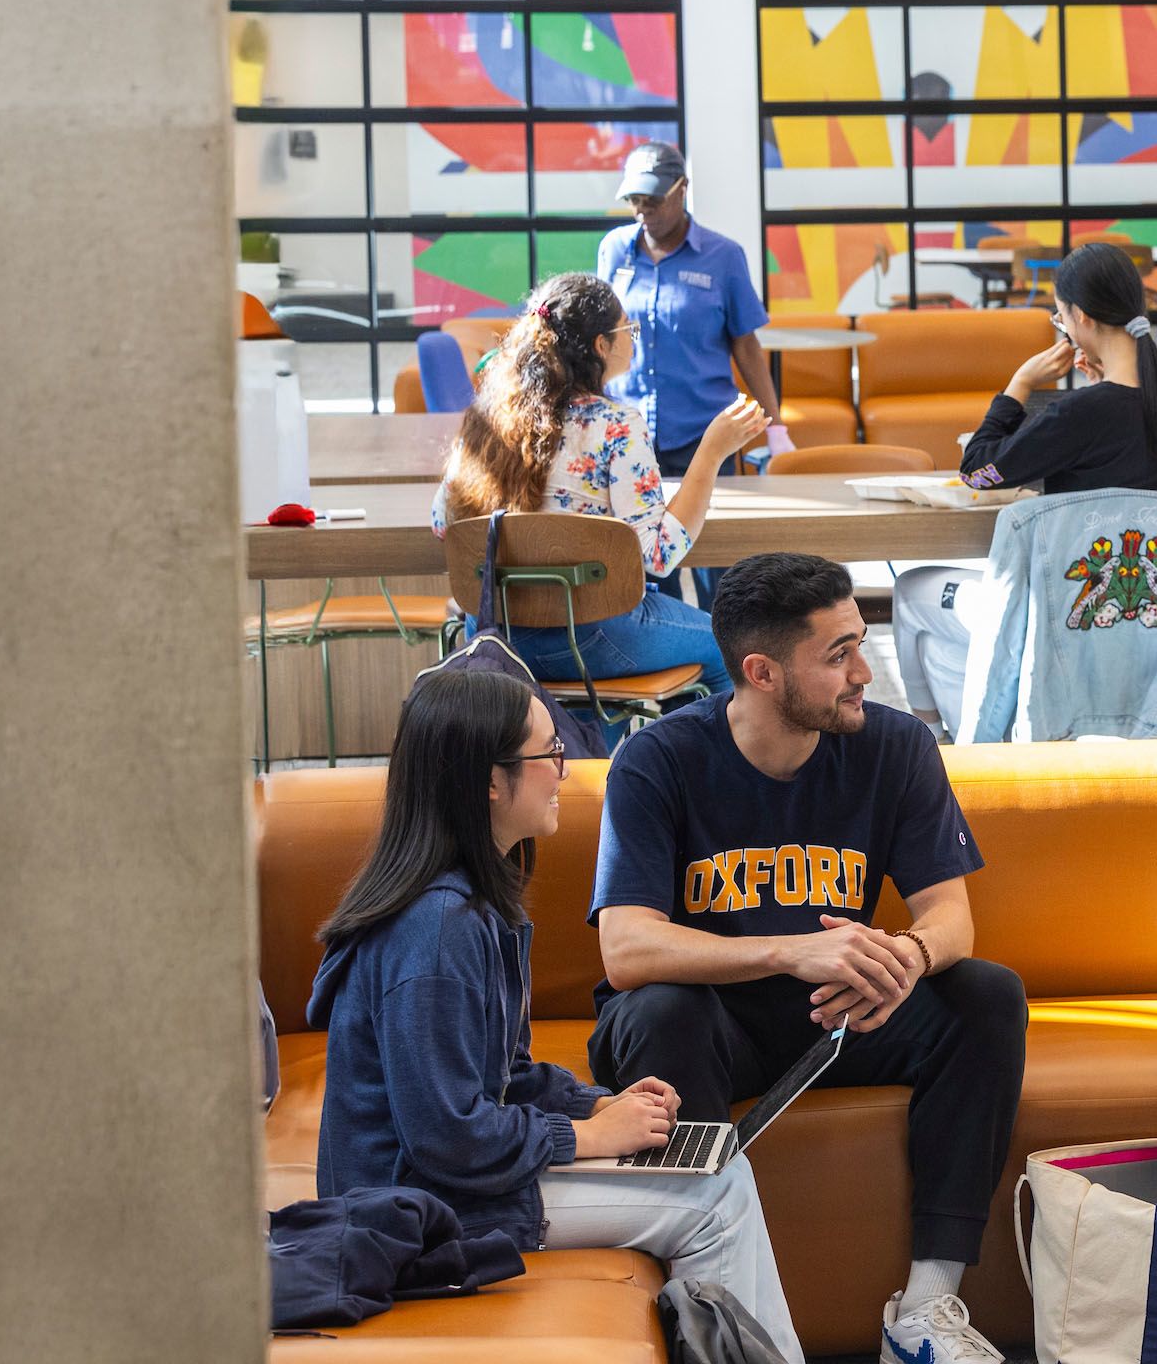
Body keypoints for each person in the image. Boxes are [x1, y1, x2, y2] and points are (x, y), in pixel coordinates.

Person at [587, 553, 1028, 1364]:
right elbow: (626, 947)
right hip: (709, 1022)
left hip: (836, 1019)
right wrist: (790, 950)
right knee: (659, 1007)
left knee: (986, 995)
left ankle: (926, 1311)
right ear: (761, 672)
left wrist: (902, 958)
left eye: (860, 643)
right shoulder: (658, 761)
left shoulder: (894, 748)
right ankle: (700, 1316)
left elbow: (950, 919)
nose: (865, 671)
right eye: (838, 656)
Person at [306, 668, 803, 1359]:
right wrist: (587, 1139)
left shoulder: (475, 905)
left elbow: (501, 1076)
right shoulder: (437, 930)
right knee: (714, 1200)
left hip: (447, 1183)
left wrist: (597, 1105)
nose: (564, 772)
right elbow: (446, 1138)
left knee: (720, 1171)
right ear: (489, 780)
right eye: (550, 756)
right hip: (413, 1208)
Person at [891, 241, 1157, 735]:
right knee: (944, 644)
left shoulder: (1078, 414)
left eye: (1059, 319)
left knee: (913, 592)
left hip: (1063, 609)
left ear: (1080, 317)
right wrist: (1104, 379)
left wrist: (1018, 385)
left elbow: (977, 470)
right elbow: (1129, 436)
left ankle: (938, 747)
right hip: (1153, 612)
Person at [435, 271, 767, 697]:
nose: (633, 337)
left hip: (495, 634)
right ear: (601, 346)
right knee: (733, 649)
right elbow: (659, 556)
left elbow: (445, 522)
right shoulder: (617, 427)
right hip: (590, 636)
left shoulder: (484, 420)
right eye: (627, 329)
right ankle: (682, 761)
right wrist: (712, 452)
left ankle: (607, 754)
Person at [597, 141, 790, 477]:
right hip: (626, 431)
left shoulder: (724, 257)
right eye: (634, 200)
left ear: (681, 189)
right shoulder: (614, 250)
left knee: (709, 530)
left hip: (703, 435)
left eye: (653, 199)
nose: (643, 210)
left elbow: (745, 346)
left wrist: (775, 428)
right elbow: (602, 336)